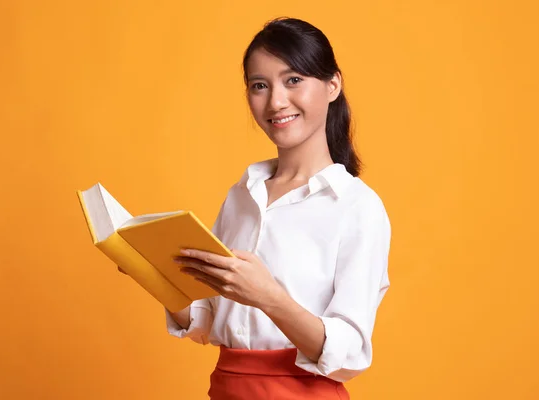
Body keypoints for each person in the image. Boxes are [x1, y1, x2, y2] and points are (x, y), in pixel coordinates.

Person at [136, 17, 391, 400]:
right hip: (226, 390)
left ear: (332, 85)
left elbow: (348, 355)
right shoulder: (242, 196)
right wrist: (153, 275)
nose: (275, 102)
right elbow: (206, 320)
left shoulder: (357, 207)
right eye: (259, 86)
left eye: (293, 80)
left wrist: (269, 296)